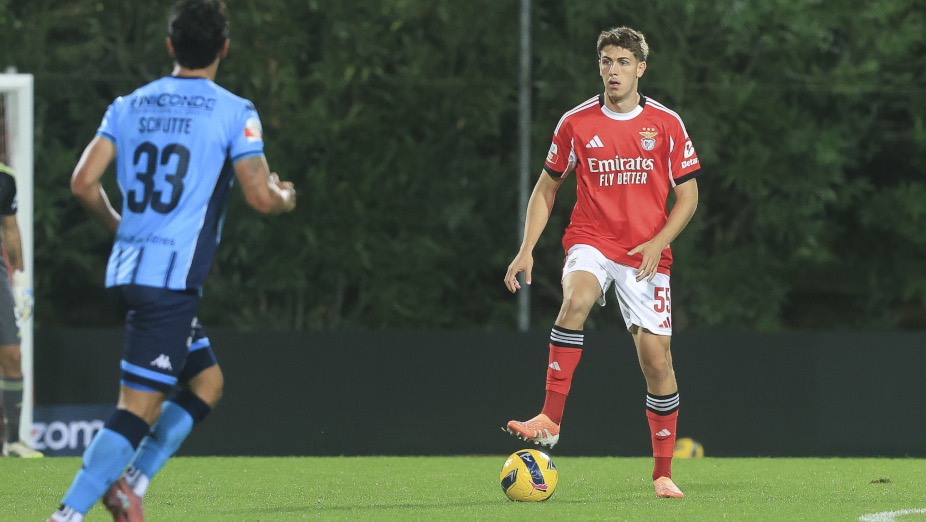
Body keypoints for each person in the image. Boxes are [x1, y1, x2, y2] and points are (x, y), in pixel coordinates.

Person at [48, 1, 296, 520]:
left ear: (170, 47)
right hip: (169, 283)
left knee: (208, 383)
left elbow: (82, 183)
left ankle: (130, 486)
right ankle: (68, 514)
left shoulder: (129, 104)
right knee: (136, 408)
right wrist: (284, 196)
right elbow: (258, 195)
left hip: (132, 271)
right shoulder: (233, 110)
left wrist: (122, 228)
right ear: (224, 48)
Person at [503, 26, 701, 499]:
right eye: (607, 62)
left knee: (658, 363)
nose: (614, 70)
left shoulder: (667, 123)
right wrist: (527, 247)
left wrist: (657, 243)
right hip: (591, 240)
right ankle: (549, 419)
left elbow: (689, 196)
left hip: (645, 254)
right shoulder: (575, 123)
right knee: (576, 299)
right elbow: (546, 187)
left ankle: (662, 472)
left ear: (641, 69)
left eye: (623, 62)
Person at [0, 162, 42, 458]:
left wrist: (22, 279)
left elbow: (10, 228)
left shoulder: (5, 178)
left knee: (13, 353)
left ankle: (13, 441)